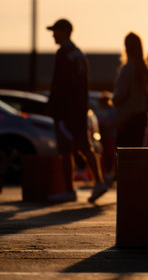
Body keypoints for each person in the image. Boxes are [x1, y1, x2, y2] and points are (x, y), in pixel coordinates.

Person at [46, 18, 108, 203]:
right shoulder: (79, 53)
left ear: (64, 31)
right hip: (80, 109)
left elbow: (59, 84)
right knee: (84, 146)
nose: (53, 35)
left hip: (65, 111)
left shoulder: (63, 53)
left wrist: (54, 106)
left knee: (66, 150)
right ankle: (99, 182)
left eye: (55, 31)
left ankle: (69, 190)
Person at [113, 32, 148, 147]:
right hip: (141, 117)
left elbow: (120, 95)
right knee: (136, 155)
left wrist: (114, 101)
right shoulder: (145, 69)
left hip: (127, 119)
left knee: (124, 156)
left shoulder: (128, 68)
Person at [95, 91, 117, 184]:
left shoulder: (112, 111)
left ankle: (110, 173)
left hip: (110, 135)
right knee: (103, 155)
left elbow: (115, 122)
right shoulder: (99, 110)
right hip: (102, 136)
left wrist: (107, 127)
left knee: (110, 154)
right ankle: (105, 173)